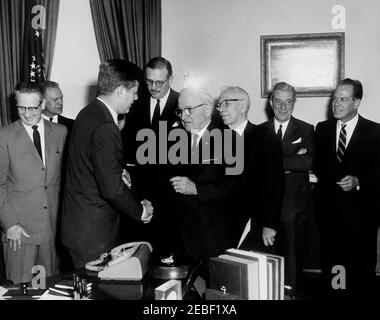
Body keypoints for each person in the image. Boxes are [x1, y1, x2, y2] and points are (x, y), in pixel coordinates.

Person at [61, 60, 153, 269]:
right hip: (94, 233)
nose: (136, 98)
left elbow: (90, 163)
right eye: (134, 92)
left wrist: (117, 170)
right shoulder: (106, 126)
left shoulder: (88, 113)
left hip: (79, 226)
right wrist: (141, 211)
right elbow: (111, 190)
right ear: (120, 90)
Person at [314, 78, 380, 298]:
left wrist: (359, 181)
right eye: (334, 98)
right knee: (334, 274)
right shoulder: (322, 130)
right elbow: (319, 167)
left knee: (361, 275)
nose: (336, 104)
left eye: (343, 99)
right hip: (330, 219)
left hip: (362, 221)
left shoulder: (375, 132)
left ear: (357, 102)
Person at [0, 82, 67, 283]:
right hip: (19, 234)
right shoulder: (4, 136)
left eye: (32, 107)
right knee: (20, 293)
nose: (27, 113)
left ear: (43, 103)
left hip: (52, 233)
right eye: (21, 107)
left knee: (49, 290)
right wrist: (10, 225)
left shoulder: (61, 132)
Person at [168, 87, 236, 268]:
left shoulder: (229, 139)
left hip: (214, 236)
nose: (183, 116)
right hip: (182, 235)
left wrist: (197, 189)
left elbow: (236, 187)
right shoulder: (175, 139)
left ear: (207, 109)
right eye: (180, 111)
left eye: (189, 109)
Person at [120, 57, 179, 256]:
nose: (153, 87)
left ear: (171, 79)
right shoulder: (134, 102)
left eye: (159, 82)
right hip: (138, 192)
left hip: (170, 195)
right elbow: (125, 143)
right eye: (148, 81)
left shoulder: (183, 104)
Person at [261, 82, 314, 295]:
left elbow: (306, 163)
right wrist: (291, 159)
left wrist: (271, 163)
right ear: (271, 102)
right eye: (279, 101)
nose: (283, 107)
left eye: (288, 101)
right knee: (267, 268)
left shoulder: (306, 129)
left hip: (293, 210)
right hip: (266, 211)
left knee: (292, 272)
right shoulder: (259, 131)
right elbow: (254, 166)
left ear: (294, 103)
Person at [216, 86, 284, 252]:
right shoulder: (214, 138)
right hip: (220, 224)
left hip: (253, 223)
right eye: (219, 105)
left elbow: (275, 185)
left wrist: (269, 224)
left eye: (226, 104)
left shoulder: (265, 137)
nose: (221, 109)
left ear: (243, 106)